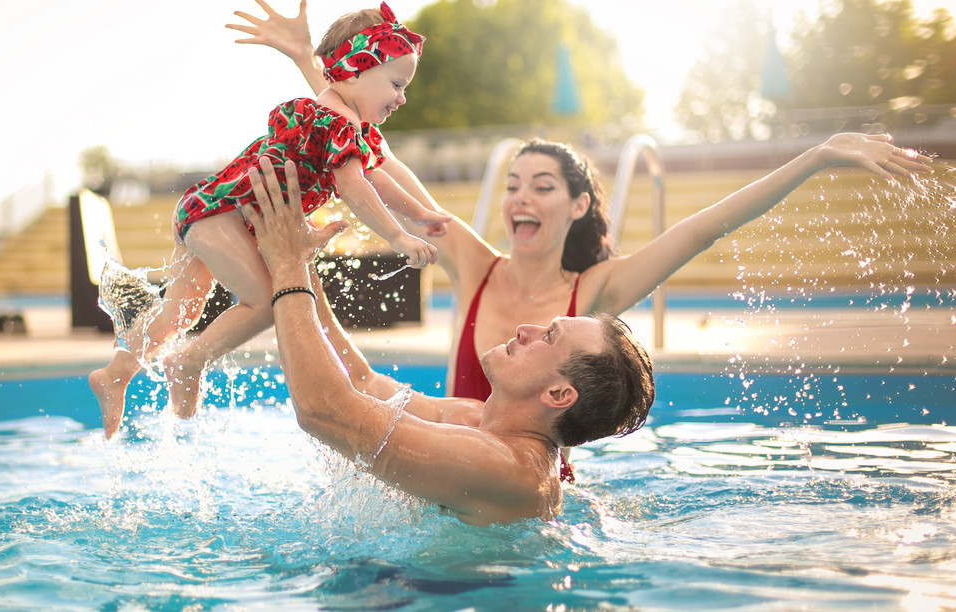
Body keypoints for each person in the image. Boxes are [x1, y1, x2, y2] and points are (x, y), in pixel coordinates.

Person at [227, 0, 935, 403]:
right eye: (511, 186)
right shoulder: (474, 267)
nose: (519, 199)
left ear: (576, 206)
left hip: (521, 496)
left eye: (541, 186)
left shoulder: (594, 295)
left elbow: (704, 229)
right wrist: (309, 64)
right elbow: (367, 148)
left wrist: (812, 158)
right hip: (439, 474)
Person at [89, 2, 450, 439]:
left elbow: (377, 178)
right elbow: (356, 188)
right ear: (355, 71)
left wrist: (422, 214)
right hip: (222, 215)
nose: (402, 97)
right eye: (395, 83)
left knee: (182, 310)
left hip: (206, 210)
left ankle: (116, 372)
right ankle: (187, 362)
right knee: (265, 303)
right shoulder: (334, 122)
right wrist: (397, 236)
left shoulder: (345, 123)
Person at [243, 155, 655, 526]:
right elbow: (362, 384)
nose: (524, 330)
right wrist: (300, 258)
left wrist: (287, 266)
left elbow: (325, 412)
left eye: (548, 336)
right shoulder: (478, 420)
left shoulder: (504, 468)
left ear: (560, 393)